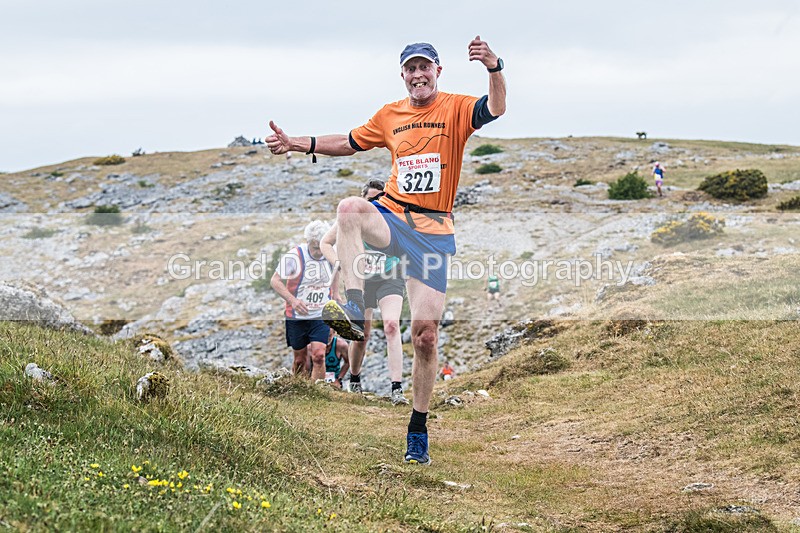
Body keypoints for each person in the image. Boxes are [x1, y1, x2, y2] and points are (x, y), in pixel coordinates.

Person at [266, 36, 506, 466]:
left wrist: (494, 67)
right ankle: (353, 307)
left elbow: (497, 107)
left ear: (437, 71)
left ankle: (417, 429)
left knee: (425, 337)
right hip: (392, 215)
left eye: (424, 67)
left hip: (433, 231)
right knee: (349, 208)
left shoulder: (455, 108)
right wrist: (300, 143)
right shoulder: (389, 115)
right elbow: (349, 141)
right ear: (403, 75)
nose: (418, 75)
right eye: (410, 69)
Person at [320, 179, 410, 405]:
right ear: (363, 200)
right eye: (371, 200)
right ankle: (355, 379)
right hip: (363, 281)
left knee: (391, 326)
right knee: (362, 333)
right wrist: (341, 265)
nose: (376, 204)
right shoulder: (356, 216)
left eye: (381, 199)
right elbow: (325, 243)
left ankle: (397, 388)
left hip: (390, 275)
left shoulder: (391, 215)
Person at [270, 220, 339, 382]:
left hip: (321, 314)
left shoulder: (331, 252)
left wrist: (336, 295)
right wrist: (293, 301)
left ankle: (318, 392)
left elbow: (337, 270)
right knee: (300, 360)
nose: (319, 252)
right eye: (315, 248)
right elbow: (275, 281)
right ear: (308, 242)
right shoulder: (294, 256)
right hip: (297, 316)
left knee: (319, 356)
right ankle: (298, 389)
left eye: (321, 247)